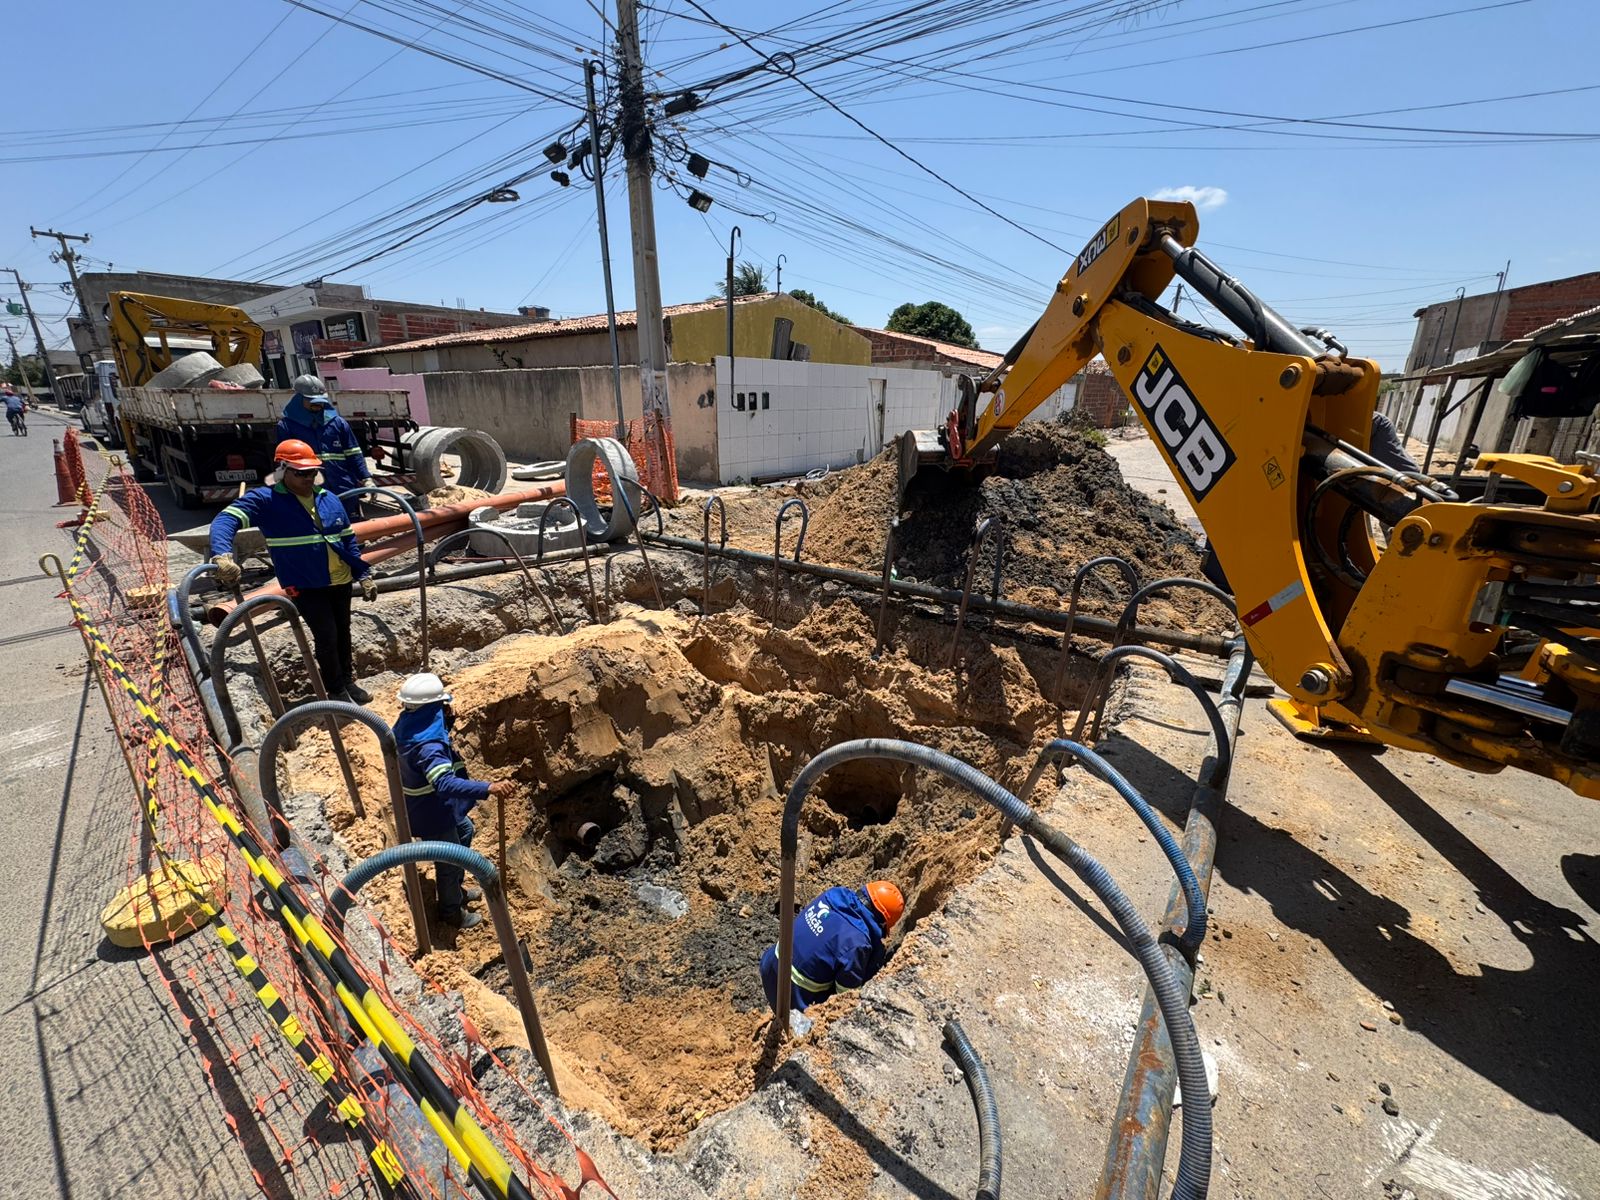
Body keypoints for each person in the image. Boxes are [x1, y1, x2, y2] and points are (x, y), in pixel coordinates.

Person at [209, 439, 376, 703]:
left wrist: (363, 575)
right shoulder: (266, 500)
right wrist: (222, 554)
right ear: (282, 469)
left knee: (343, 632)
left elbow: (347, 541)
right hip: (305, 584)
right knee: (326, 635)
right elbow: (226, 519)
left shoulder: (328, 499)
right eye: (301, 472)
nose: (309, 477)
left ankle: (347, 681)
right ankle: (335, 690)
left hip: (340, 581)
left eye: (313, 472)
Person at [393, 672, 515, 930]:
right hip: (431, 813)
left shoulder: (408, 725)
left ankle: (455, 891)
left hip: (431, 808)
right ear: (431, 709)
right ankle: (451, 912)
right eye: (442, 706)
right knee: (449, 860)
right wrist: (489, 787)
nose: (447, 710)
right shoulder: (428, 746)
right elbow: (444, 783)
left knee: (466, 830)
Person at [760, 880, 904, 1014]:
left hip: (770, 964)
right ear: (883, 922)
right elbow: (846, 997)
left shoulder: (832, 895)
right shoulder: (857, 942)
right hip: (794, 997)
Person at [275, 375, 373, 500]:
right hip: (310, 492)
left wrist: (366, 479)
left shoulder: (338, 423)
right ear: (298, 399)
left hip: (344, 487)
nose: (318, 404)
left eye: (321, 400)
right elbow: (284, 463)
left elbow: (354, 454)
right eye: (312, 400)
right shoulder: (287, 426)